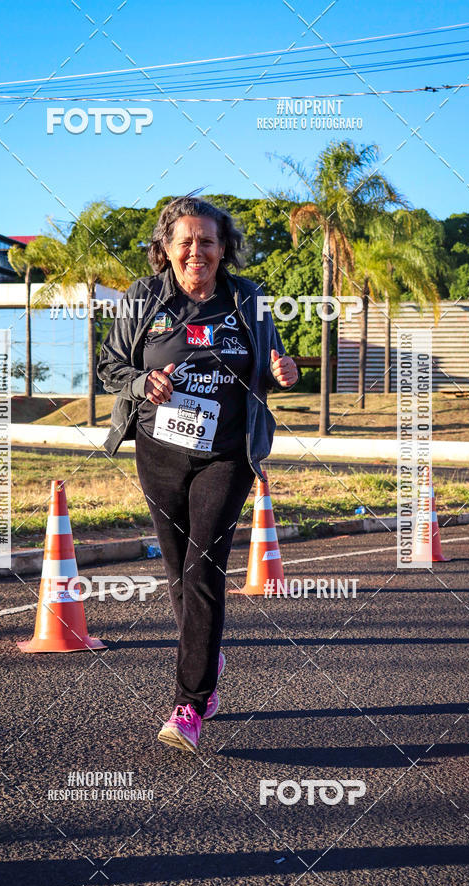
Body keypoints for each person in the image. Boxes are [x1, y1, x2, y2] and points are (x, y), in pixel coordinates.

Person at [97, 196, 298, 753]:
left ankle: (189, 702)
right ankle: (206, 652)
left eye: (206, 241)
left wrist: (286, 369)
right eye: (184, 241)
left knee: (204, 565)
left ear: (222, 247)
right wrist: (144, 383)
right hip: (160, 453)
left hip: (227, 454)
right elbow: (110, 365)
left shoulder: (247, 298)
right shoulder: (144, 297)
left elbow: (278, 359)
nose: (196, 251)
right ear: (165, 247)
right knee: (177, 570)